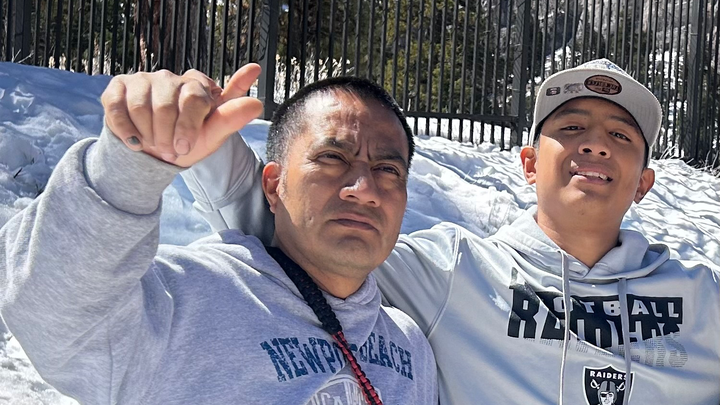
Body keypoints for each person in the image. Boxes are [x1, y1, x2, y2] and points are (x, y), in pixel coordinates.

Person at [177, 59, 720, 404]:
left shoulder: (704, 297)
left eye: (621, 136)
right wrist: (202, 139)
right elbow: (302, 232)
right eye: (572, 127)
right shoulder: (451, 272)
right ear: (530, 163)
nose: (595, 144)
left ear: (644, 182)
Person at [0, 65, 438, 404]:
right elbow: (52, 314)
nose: (364, 189)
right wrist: (126, 170)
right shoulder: (190, 298)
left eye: (387, 169)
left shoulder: (408, 343)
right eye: (332, 158)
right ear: (274, 186)